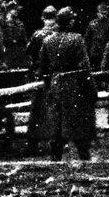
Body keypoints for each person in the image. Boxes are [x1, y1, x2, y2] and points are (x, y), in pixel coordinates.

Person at [33, 8, 95, 161]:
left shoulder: (48, 40)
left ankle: (55, 158)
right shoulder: (77, 39)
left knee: (57, 120)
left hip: (55, 82)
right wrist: (90, 87)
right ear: (69, 22)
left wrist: (49, 84)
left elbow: (43, 67)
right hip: (73, 82)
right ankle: (84, 157)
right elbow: (84, 65)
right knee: (77, 120)